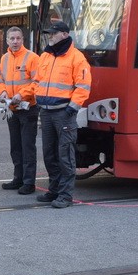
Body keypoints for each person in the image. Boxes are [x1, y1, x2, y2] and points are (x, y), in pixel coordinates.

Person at [35, 20, 91, 208]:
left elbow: (83, 87)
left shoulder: (77, 58)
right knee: (49, 154)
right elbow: (37, 81)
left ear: (65, 35)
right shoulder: (46, 56)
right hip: (47, 112)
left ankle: (65, 196)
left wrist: (71, 109)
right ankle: (54, 190)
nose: (50, 36)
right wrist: (37, 100)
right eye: (49, 33)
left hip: (63, 113)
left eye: (53, 33)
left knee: (65, 155)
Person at [0, 26, 40, 194]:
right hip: (12, 108)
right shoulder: (5, 58)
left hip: (28, 108)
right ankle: (18, 178)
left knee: (27, 146)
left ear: (23, 40)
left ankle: (29, 182)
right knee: (15, 146)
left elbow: (37, 82)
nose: (15, 41)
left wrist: (22, 94)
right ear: (7, 40)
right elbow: (0, 80)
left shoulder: (32, 58)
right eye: (12, 39)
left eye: (18, 38)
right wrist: (3, 92)